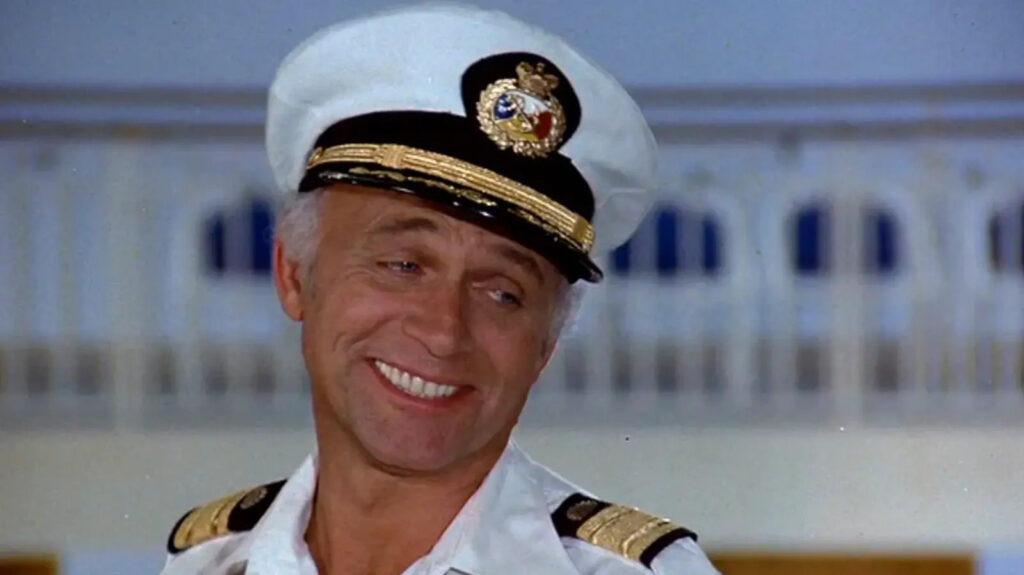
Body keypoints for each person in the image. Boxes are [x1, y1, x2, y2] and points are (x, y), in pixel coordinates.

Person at [161, 4, 720, 574]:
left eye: (503, 294)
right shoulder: (206, 563)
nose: (443, 332)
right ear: (293, 273)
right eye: (404, 265)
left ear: (546, 346)